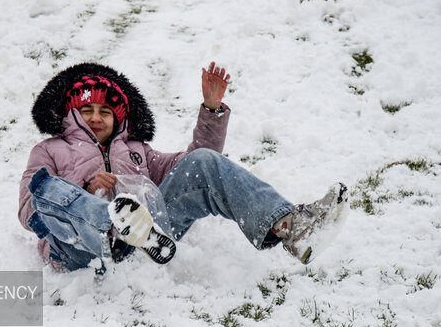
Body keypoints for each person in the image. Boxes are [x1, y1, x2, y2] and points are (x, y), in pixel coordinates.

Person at [18, 61, 347, 273]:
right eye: (86, 109)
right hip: (79, 247)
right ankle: (110, 225)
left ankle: (292, 228)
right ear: (70, 115)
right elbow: (28, 211)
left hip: (150, 243)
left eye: (105, 111)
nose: (95, 117)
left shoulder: (137, 152)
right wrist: (85, 191)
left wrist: (211, 110)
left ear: (118, 118)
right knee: (46, 187)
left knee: (203, 164)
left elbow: (197, 168)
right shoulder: (48, 151)